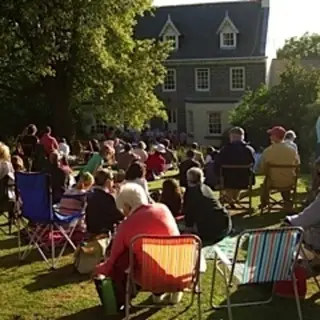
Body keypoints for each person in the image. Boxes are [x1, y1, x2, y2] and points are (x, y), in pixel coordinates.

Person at [95, 183, 181, 309]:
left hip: (150, 278)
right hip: (181, 270)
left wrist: (98, 269)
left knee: (126, 258)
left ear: (127, 206)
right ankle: (170, 289)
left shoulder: (126, 225)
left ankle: (152, 292)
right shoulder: (163, 209)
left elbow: (113, 260)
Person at [183, 167, 232, 244]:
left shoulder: (190, 194)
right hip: (225, 226)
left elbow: (189, 217)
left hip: (210, 232)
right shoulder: (206, 188)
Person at [257, 126, 300, 209]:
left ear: (275, 137)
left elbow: (262, 168)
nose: (270, 137)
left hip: (273, 181)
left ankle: (264, 202)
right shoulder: (292, 151)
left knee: (266, 182)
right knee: (284, 180)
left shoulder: (268, 151)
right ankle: (287, 201)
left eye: (271, 135)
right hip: (289, 180)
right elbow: (297, 164)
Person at [214, 127, 255, 204]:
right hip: (244, 181)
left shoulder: (224, 150)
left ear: (231, 137)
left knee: (227, 178)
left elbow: (217, 166)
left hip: (227, 181)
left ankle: (229, 198)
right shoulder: (249, 150)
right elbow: (253, 164)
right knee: (239, 177)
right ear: (243, 137)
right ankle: (233, 198)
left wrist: (218, 176)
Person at [86, 169, 123, 235]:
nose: (113, 182)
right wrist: (117, 195)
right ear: (108, 181)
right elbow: (120, 216)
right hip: (105, 231)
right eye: (112, 179)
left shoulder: (88, 194)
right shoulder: (107, 197)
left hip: (90, 229)